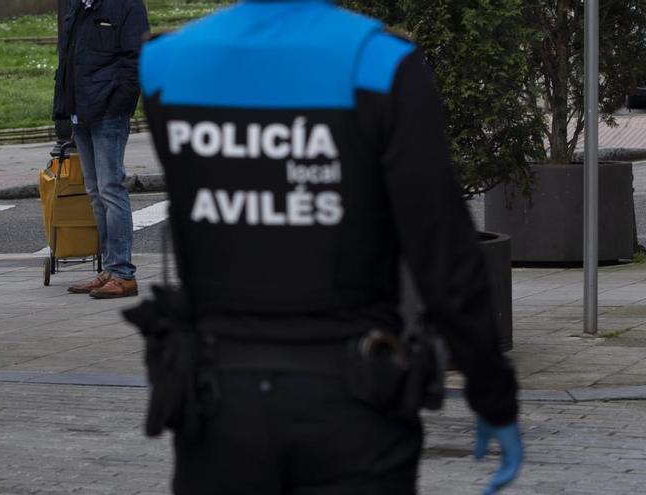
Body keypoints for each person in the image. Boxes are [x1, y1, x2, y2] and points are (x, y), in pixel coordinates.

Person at [131, 1, 524, 493]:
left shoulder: (167, 62)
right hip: (354, 405)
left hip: (218, 405)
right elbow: (442, 250)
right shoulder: (380, 62)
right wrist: (493, 393)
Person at [52, 0, 149, 299]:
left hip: (108, 111)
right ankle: (109, 268)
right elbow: (68, 59)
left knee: (111, 189)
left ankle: (123, 274)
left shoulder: (126, 6)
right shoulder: (79, 6)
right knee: (95, 193)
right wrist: (65, 108)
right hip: (81, 110)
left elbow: (136, 61)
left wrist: (118, 104)